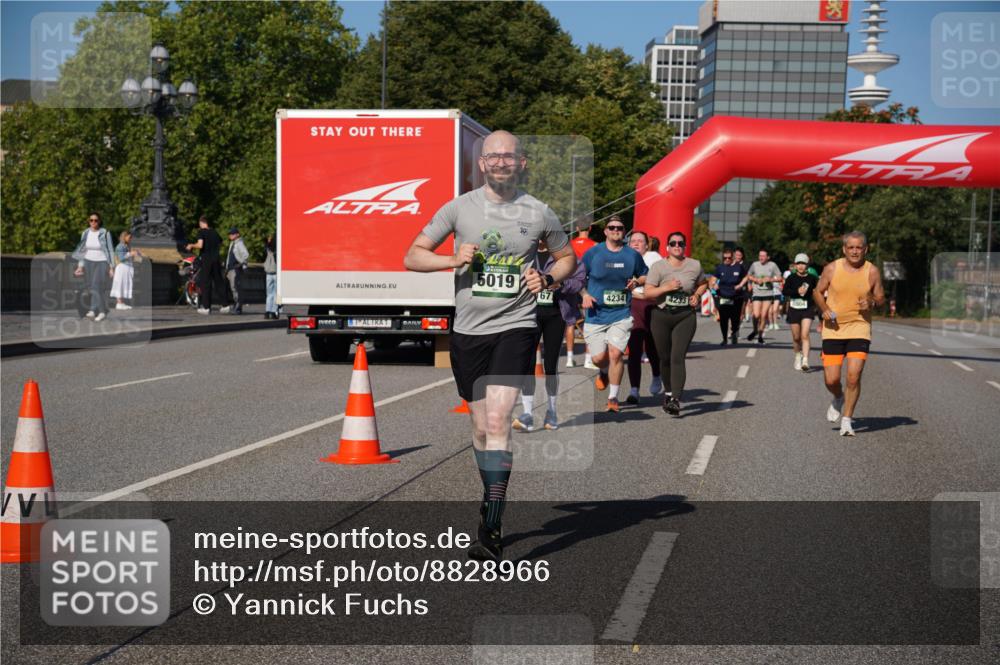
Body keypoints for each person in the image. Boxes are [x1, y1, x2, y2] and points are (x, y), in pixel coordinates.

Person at [403, 130, 575, 561]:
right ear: (481, 163)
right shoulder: (459, 208)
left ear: (521, 162)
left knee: (498, 420)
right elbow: (412, 255)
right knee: (480, 428)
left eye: (508, 156)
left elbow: (567, 257)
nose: (500, 162)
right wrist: (452, 259)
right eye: (492, 156)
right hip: (468, 331)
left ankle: (492, 526)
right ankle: (490, 497)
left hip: (516, 326)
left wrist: (547, 278)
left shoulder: (539, 212)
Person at [814, 231, 884, 437]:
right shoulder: (831, 268)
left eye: (859, 247)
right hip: (833, 329)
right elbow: (817, 292)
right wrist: (824, 308)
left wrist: (872, 302)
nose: (855, 251)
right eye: (851, 247)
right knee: (832, 380)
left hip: (859, 328)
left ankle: (847, 420)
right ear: (844, 249)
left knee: (853, 376)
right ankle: (838, 397)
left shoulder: (872, 271)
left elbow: (881, 298)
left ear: (865, 249)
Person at [513, 239, 586, 431]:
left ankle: (552, 412)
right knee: (527, 363)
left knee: (551, 365)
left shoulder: (565, 255)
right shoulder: (526, 254)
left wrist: (559, 283)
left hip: (556, 315)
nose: (541, 238)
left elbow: (579, 281)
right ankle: (527, 414)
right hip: (529, 314)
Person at [580, 215, 647, 413]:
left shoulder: (632, 255)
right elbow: (577, 277)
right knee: (598, 358)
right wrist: (584, 294)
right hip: (595, 314)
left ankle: (613, 398)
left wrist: (637, 282)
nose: (616, 230)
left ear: (624, 232)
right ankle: (603, 371)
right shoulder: (594, 253)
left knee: (616, 354)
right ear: (605, 231)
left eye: (619, 227)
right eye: (612, 227)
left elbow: (645, 274)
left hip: (621, 313)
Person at [640, 231, 707, 416]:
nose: (677, 246)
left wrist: (697, 295)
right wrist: (666, 287)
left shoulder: (694, 265)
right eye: (673, 243)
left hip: (685, 316)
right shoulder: (658, 267)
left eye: (680, 243)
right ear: (667, 247)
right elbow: (648, 292)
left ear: (685, 246)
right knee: (665, 357)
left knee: (677, 356)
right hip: (661, 316)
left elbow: (703, 283)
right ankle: (668, 392)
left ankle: (675, 399)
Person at [624, 230, 663, 404]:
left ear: (647, 245)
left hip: (651, 304)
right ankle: (634, 390)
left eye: (640, 241)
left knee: (652, 345)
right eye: (633, 241)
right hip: (632, 304)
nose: (636, 243)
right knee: (634, 347)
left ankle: (656, 374)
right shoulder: (623, 258)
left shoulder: (654, 259)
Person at [71, 213, 115, 321]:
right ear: (89, 221)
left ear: (99, 221)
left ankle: (98, 311)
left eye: (96, 220)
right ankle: (97, 310)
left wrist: (111, 267)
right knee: (92, 287)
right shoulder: (85, 233)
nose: (93, 222)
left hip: (101, 262)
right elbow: (82, 250)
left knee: (96, 285)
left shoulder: (105, 233)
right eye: (91, 220)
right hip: (88, 261)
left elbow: (110, 249)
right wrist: (80, 266)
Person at [186, 216, 231, 315]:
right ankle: (225, 305)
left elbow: (200, 245)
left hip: (206, 259)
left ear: (201, 223)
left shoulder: (201, 232)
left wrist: (191, 245)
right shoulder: (215, 232)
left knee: (205, 283)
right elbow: (220, 242)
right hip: (216, 259)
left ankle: (206, 307)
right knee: (219, 282)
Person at [569, 222, 597, 368]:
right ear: (590, 228)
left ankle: (569, 358)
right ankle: (588, 359)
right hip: (587, 282)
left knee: (569, 321)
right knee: (589, 319)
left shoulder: (570, 244)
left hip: (570, 281)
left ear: (577, 228)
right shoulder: (595, 245)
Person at [783, 253, 818, 371]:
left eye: (803, 263)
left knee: (805, 334)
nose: (801, 266)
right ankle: (798, 355)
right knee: (796, 337)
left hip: (808, 308)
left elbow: (817, 292)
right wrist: (797, 291)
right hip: (794, 309)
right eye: (798, 263)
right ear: (795, 265)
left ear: (807, 265)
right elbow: (785, 292)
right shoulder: (791, 278)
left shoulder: (812, 278)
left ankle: (805, 361)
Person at [745, 249, 782, 345]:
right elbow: (748, 275)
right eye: (760, 255)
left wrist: (771, 279)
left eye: (763, 256)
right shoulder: (754, 264)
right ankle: (755, 330)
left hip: (768, 293)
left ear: (768, 257)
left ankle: (760, 336)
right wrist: (755, 279)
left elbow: (780, 278)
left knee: (764, 315)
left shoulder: (772, 265)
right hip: (757, 293)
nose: (761, 257)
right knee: (756, 315)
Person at [710, 248, 746, 345]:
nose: (727, 260)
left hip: (736, 297)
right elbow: (713, 278)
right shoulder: (720, 267)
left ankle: (734, 333)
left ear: (732, 257)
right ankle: (724, 338)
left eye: (729, 258)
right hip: (723, 296)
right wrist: (714, 284)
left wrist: (740, 285)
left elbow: (746, 277)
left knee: (735, 319)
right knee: (723, 319)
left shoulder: (739, 267)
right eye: (724, 258)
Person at [110, 230, 142, 310]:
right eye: (129, 237)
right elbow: (121, 258)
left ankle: (121, 302)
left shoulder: (126, 246)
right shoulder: (121, 246)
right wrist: (131, 253)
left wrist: (135, 254)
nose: (130, 239)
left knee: (124, 284)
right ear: (124, 237)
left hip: (126, 267)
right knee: (120, 284)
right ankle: (119, 303)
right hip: (122, 267)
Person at [225, 227, 249, 314]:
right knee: (233, 288)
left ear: (237, 234)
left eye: (232, 234)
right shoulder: (233, 243)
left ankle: (238, 307)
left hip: (236, 269)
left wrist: (240, 264)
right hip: (230, 269)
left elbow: (246, 255)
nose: (230, 235)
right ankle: (236, 305)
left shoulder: (239, 243)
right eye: (230, 234)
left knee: (235, 287)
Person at [264, 232, 278, 319]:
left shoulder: (268, 247)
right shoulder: (278, 247)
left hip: (268, 271)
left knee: (269, 293)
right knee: (276, 293)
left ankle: (267, 311)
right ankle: (274, 311)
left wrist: (268, 241)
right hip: (276, 272)